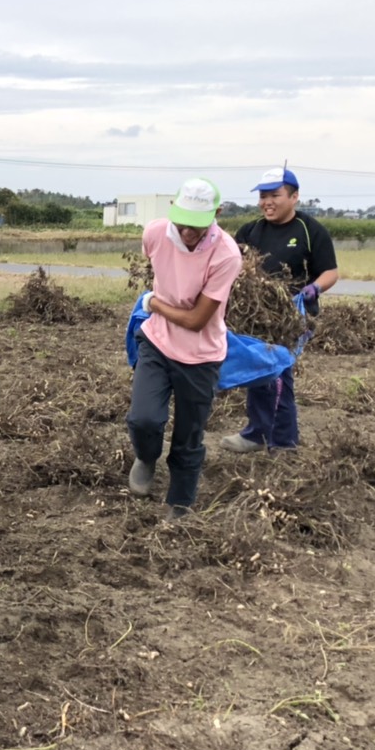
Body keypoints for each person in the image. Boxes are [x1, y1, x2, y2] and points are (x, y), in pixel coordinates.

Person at [126, 178, 243, 520]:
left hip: (201, 356)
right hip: (158, 343)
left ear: (217, 214)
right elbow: (162, 267)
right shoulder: (155, 234)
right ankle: (147, 457)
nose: (187, 234)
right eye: (182, 223)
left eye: (197, 226)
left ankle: (180, 503)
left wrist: (154, 303)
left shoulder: (226, 254)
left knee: (188, 436)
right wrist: (158, 306)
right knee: (143, 418)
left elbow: (195, 320)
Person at [221, 167, 339, 452]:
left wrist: (314, 289)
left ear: (294, 196)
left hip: (292, 317)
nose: (267, 202)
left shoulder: (310, 231)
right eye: (263, 196)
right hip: (256, 316)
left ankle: (282, 441)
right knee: (258, 372)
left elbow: (330, 272)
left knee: (277, 373)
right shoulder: (250, 230)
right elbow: (232, 264)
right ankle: (257, 433)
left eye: (275, 195)